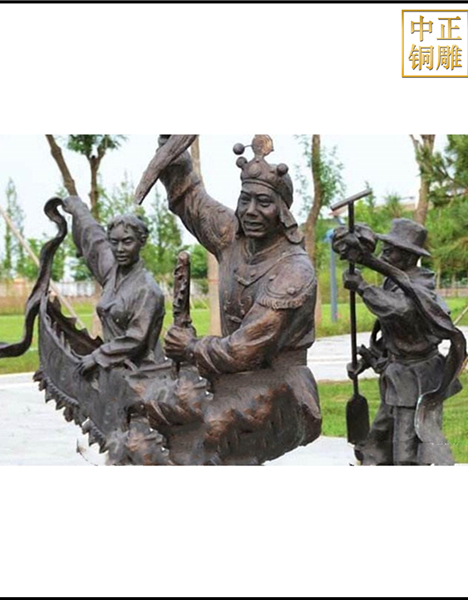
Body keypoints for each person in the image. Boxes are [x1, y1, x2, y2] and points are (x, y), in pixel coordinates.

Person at [157, 134, 322, 463]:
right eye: (245, 200)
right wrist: (170, 147)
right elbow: (190, 197)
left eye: (264, 202)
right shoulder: (231, 235)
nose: (251, 211)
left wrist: (190, 348)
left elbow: (244, 349)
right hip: (230, 377)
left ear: (282, 210)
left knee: (212, 428)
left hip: (284, 387)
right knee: (158, 406)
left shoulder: (294, 272)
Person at [334, 218, 463, 465]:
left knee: (406, 446)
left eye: (389, 251)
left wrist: (363, 288)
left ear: (407, 256)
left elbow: (401, 311)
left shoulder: (420, 284)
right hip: (397, 376)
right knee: (380, 438)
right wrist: (369, 359)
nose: (383, 254)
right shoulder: (393, 279)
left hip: (416, 379)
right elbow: (395, 330)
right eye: (384, 249)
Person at [61, 195, 165, 376]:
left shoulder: (147, 289)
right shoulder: (112, 272)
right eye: (114, 242)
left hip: (144, 375)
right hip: (115, 370)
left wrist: (97, 356)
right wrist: (78, 209)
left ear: (141, 242)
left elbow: (136, 338)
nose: (120, 249)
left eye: (127, 242)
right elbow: (93, 238)